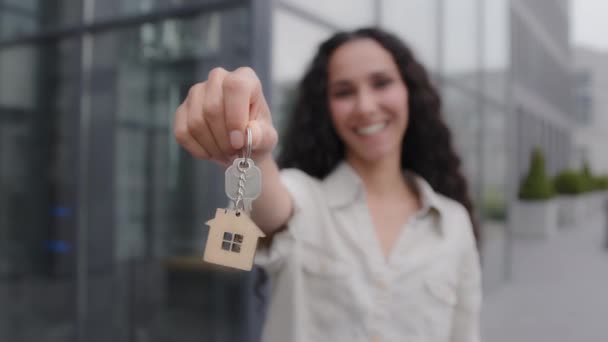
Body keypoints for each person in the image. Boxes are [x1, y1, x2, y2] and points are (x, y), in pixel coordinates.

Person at [173, 27, 481, 342]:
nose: (365, 106)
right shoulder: (305, 197)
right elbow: (275, 206)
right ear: (326, 108)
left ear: (409, 92)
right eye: (344, 92)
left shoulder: (453, 223)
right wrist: (257, 152)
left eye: (381, 83)